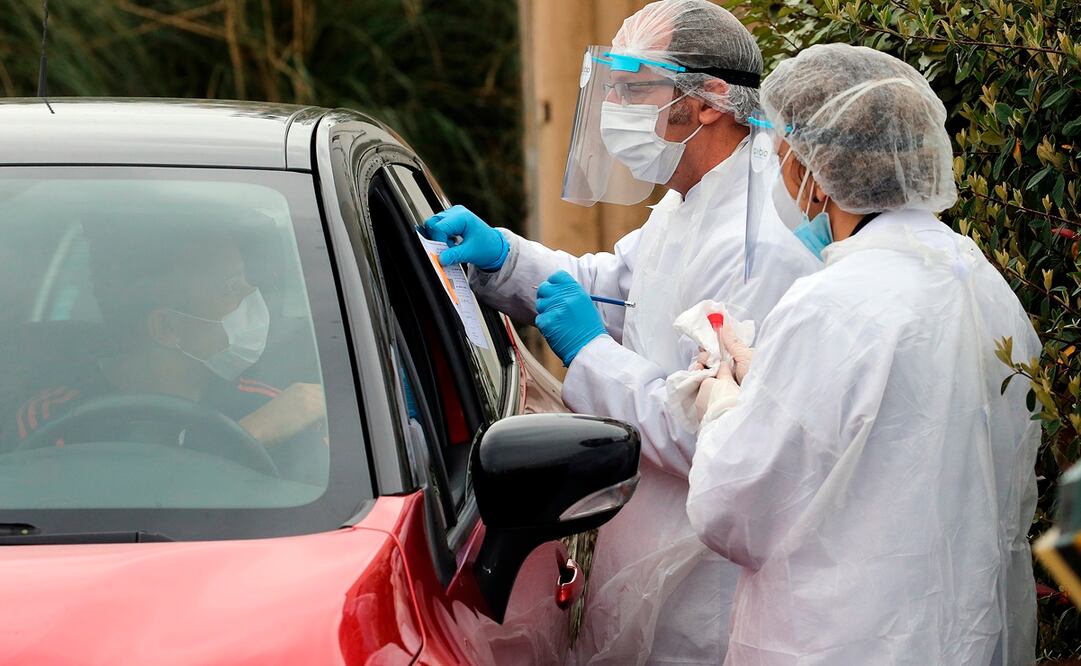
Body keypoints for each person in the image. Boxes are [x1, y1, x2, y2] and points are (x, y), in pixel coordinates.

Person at [425, 1, 819, 663]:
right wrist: (505, 260)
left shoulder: (759, 239)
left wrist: (590, 355)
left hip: (705, 579)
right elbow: (620, 289)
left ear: (709, 100)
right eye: (612, 89)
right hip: (650, 545)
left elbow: (714, 436)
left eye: (634, 88)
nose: (616, 108)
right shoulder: (692, 197)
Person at [686, 43, 1040, 664]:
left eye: (782, 156)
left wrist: (723, 404)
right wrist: (768, 379)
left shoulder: (830, 304)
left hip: (842, 641)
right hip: (972, 638)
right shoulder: (983, 282)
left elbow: (733, 508)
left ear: (817, 173)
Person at [9, 223, 327, 482]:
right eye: (230, 286)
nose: (252, 294)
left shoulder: (279, 408)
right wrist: (250, 435)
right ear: (165, 328)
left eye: (245, 279)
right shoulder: (54, 421)